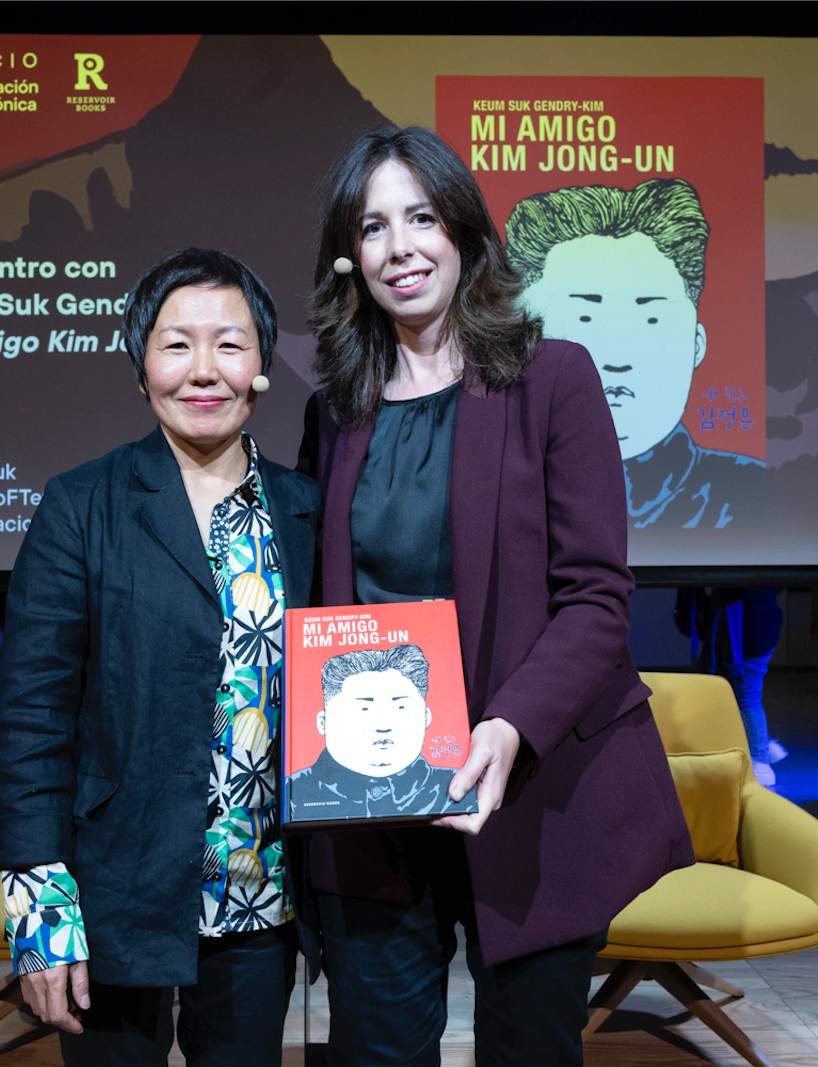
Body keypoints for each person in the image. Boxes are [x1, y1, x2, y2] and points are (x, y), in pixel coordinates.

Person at [297, 126, 694, 1067]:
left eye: (421, 218)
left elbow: (598, 596)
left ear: (466, 233)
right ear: (351, 257)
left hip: (529, 792)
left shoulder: (552, 378)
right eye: (373, 227)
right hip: (375, 805)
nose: (400, 249)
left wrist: (509, 728)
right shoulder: (335, 410)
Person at [0, 248, 319, 1066]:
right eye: (176, 344)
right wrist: (40, 913)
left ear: (262, 366)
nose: (203, 369)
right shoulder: (80, 504)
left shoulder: (305, 509)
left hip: (259, 897)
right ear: (141, 367)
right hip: (115, 890)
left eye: (230, 344)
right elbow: (31, 716)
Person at [506, 178, 768, 530]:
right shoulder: (484, 486)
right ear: (518, 338)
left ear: (696, 345)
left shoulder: (749, 493)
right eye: (584, 319)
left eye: (651, 320)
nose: (617, 360)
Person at [285, 643, 466, 821]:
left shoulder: (457, 784)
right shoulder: (292, 793)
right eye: (363, 710)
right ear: (323, 723)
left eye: (400, 707)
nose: (383, 725)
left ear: (426, 717)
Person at [674, 586, 788, 787]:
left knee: (747, 697)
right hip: (758, 628)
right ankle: (763, 745)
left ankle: (761, 759)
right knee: (739, 694)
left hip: (747, 632)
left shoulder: (742, 591)